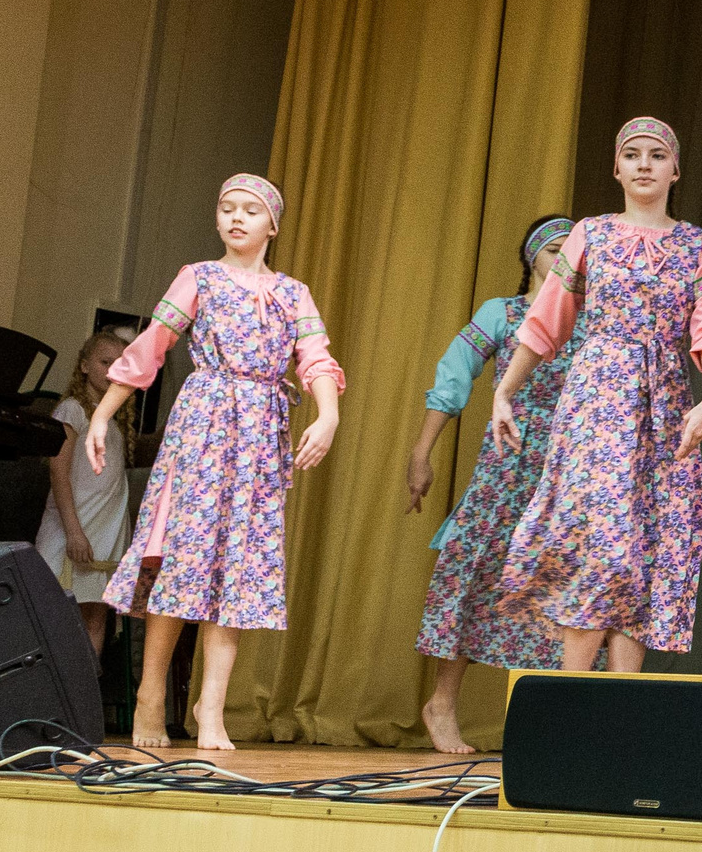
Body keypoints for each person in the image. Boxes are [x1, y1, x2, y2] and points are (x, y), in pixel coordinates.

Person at [87, 174, 344, 750]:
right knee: (180, 558)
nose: (236, 218)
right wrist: (103, 415)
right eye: (227, 207)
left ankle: (211, 707)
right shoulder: (198, 277)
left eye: (250, 210)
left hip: (259, 438)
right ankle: (151, 696)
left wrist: (327, 415)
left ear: (271, 224)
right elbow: (149, 347)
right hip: (203, 427)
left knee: (237, 566)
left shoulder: (293, 292)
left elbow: (317, 358)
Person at [492, 122, 702, 672]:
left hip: (664, 399)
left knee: (650, 539)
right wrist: (505, 391)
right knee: (598, 538)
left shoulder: (698, 245)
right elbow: (546, 319)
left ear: (675, 170)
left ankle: (624, 702)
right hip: (598, 394)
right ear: (617, 168)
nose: (644, 164)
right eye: (632, 155)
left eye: (657, 156)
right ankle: (572, 693)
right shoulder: (591, 234)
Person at [404, 214, 575, 753]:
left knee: (555, 593)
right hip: (506, 469)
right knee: (476, 579)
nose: (565, 264)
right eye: (554, 252)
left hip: (568, 473)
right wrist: (421, 452)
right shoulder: (504, 314)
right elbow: (453, 376)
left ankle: (542, 722)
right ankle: (442, 703)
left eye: (575, 257)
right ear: (532, 260)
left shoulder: (593, 320)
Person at [35, 326, 135, 656]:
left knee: (95, 616)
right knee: (64, 619)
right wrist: (75, 534)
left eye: (120, 362)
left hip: (104, 535)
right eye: (105, 362)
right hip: (73, 534)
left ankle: (85, 696)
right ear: (84, 366)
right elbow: (58, 473)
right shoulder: (72, 411)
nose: (112, 370)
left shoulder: (115, 422)